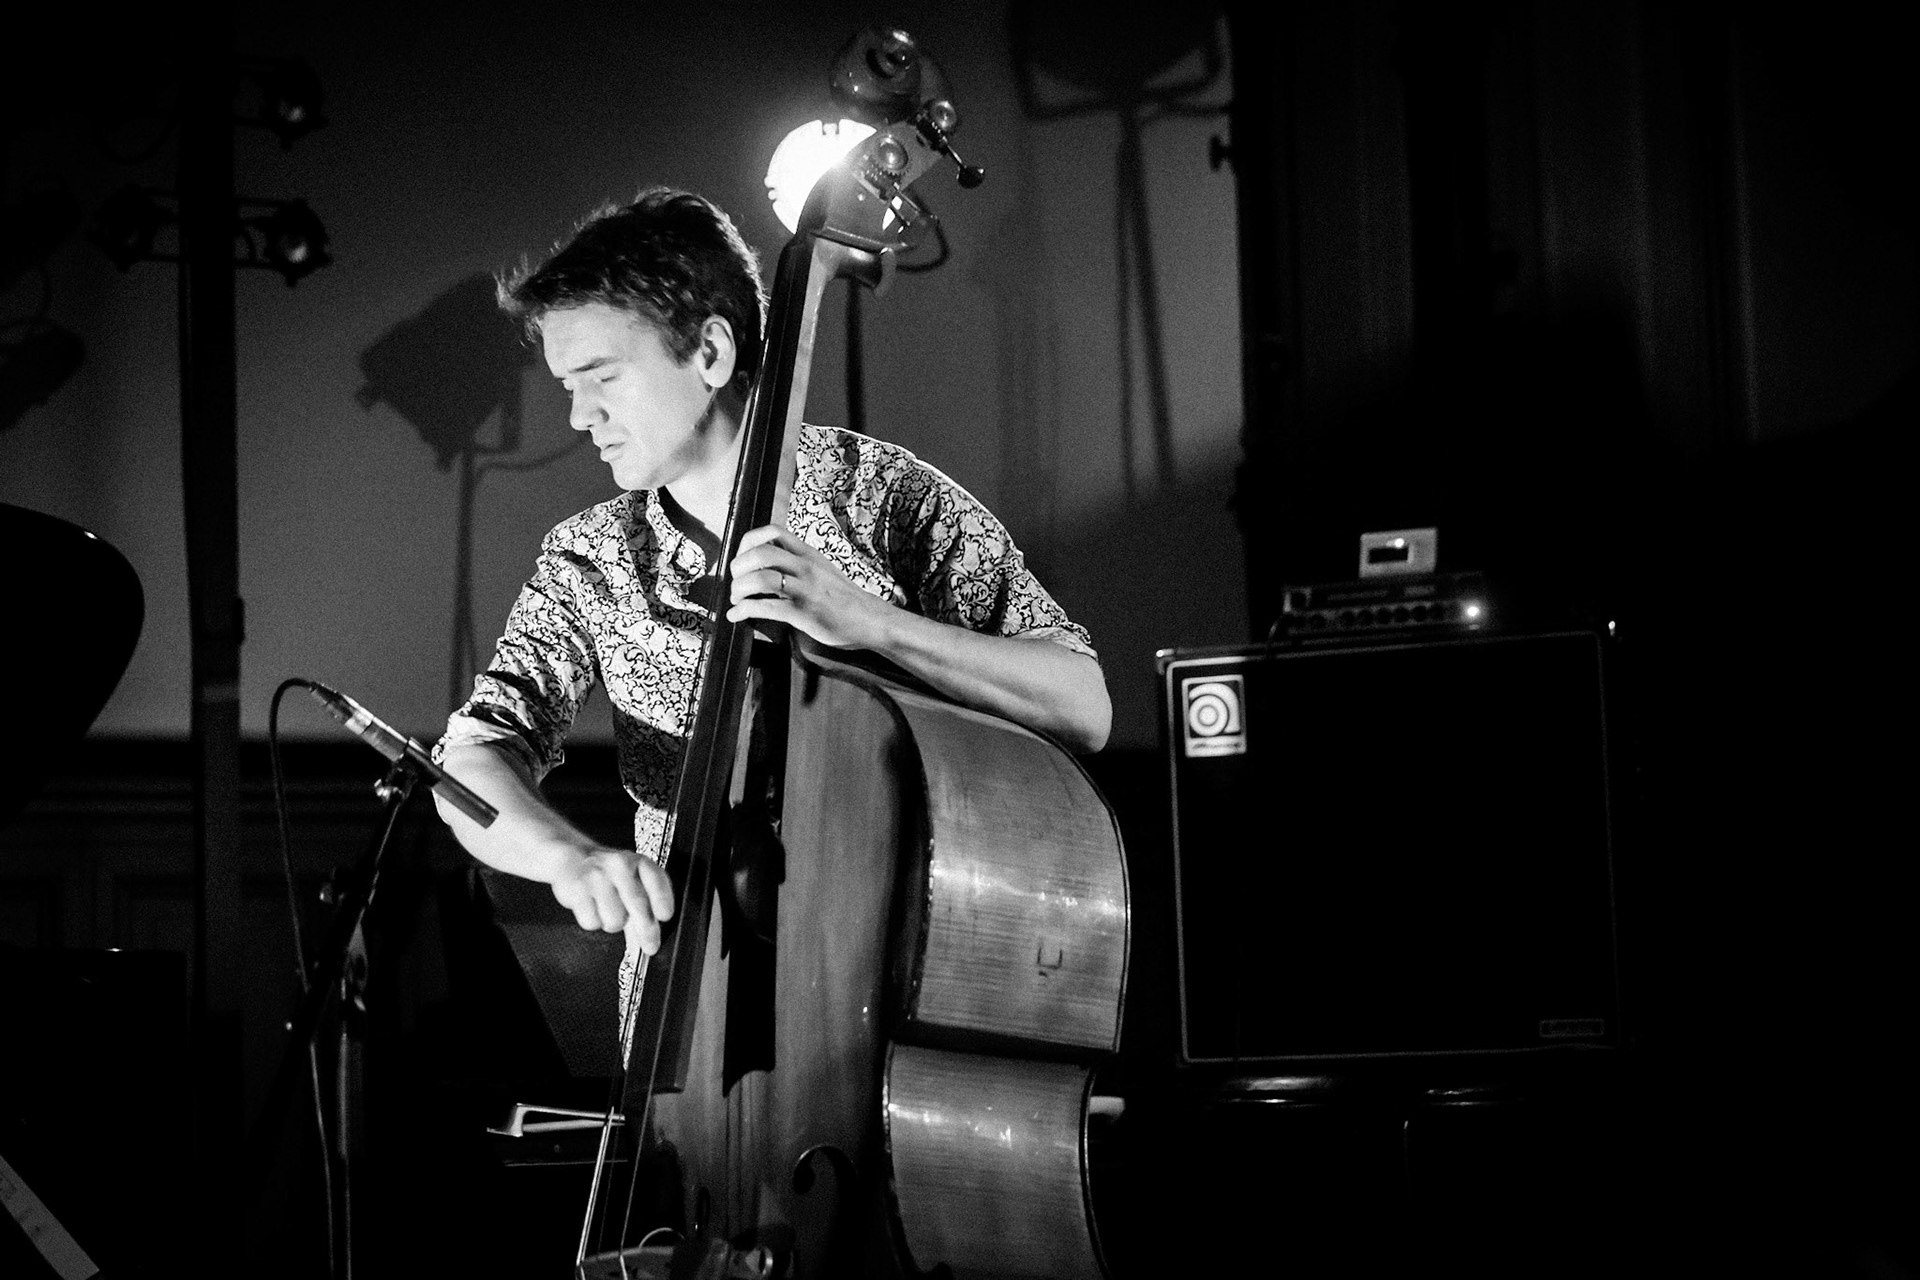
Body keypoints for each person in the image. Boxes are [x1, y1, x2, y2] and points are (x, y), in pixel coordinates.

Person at [432, 187, 1109, 965]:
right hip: (685, 994)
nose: (580, 416)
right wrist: (570, 860)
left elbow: (1081, 702)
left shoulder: (883, 495)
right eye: (566, 387)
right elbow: (478, 754)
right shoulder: (590, 557)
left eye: (603, 377)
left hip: (896, 961)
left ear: (711, 353)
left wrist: (872, 622)